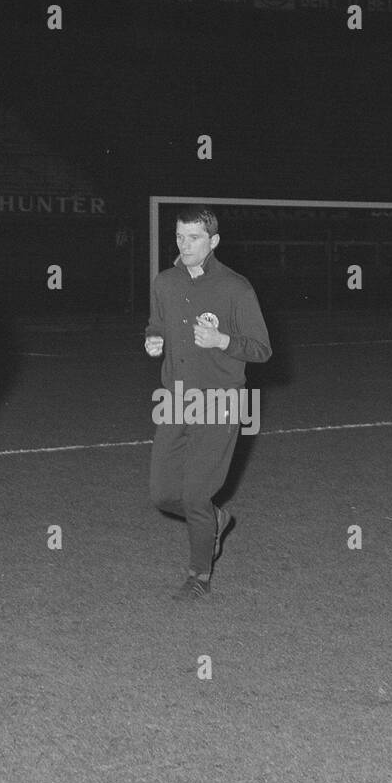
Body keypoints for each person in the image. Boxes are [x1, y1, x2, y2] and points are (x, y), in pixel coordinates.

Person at [145, 207, 271, 600]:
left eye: (194, 237)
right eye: (180, 237)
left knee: (196, 493)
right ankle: (216, 520)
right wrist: (153, 339)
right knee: (164, 494)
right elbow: (158, 323)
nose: (185, 245)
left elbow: (262, 349)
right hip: (177, 399)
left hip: (223, 401)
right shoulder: (164, 282)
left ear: (213, 241)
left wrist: (223, 342)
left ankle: (199, 575)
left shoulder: (236, 288)